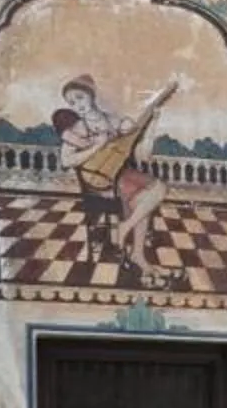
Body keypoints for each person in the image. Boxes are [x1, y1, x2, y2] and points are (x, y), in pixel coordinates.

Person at [52, 73, 176, 283]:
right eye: (72, 102)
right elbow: (66, 161)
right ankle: (132, 243)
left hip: (121, 175)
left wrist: (153, 123)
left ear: (91, 96)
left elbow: (143, 154)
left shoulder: (115, 121)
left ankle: (133, 244)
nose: (77, 105)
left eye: (80, 98)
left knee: (149, 195)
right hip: (98, 180)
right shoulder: (77, 128)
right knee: (151, 192)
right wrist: (96, 147)